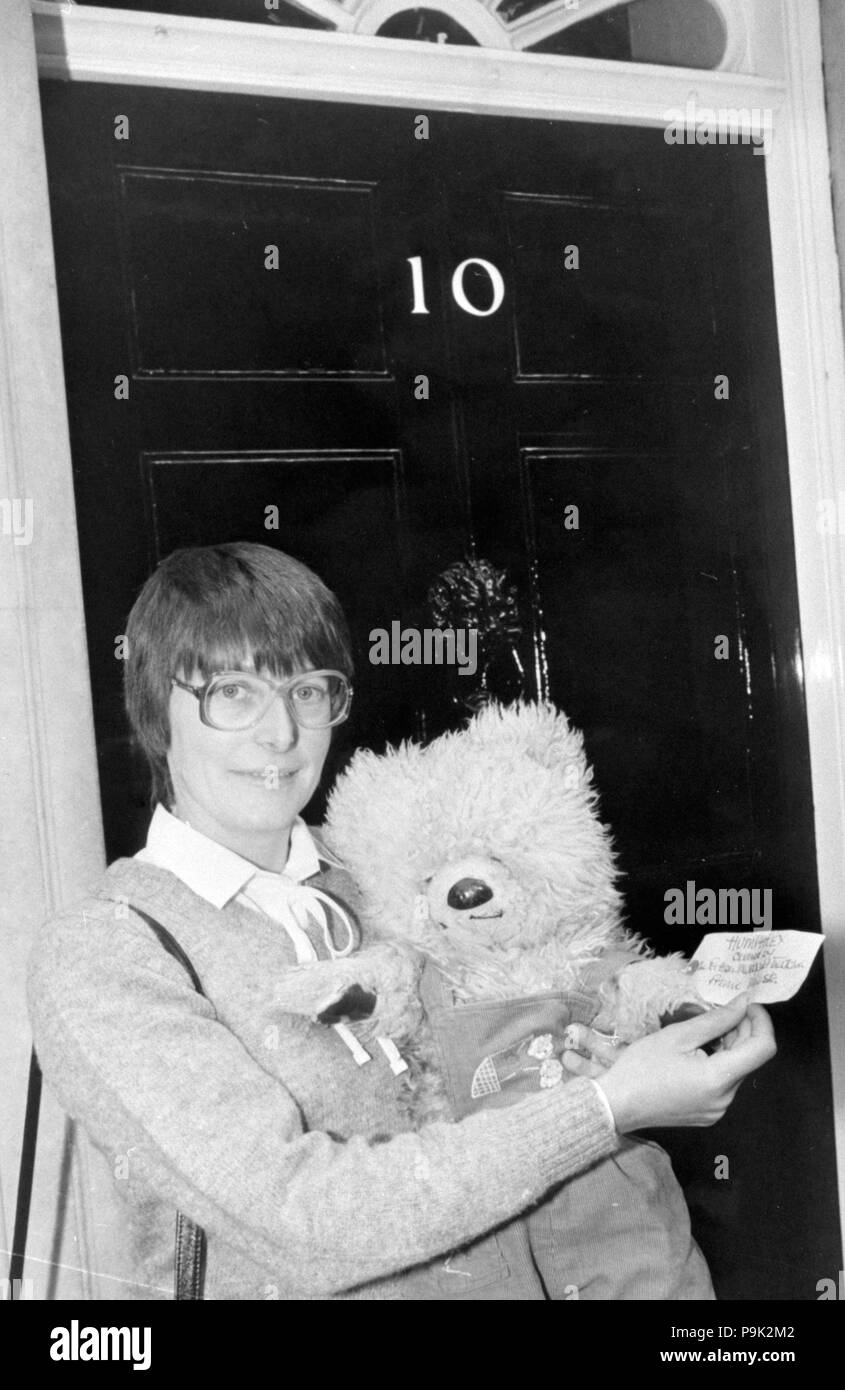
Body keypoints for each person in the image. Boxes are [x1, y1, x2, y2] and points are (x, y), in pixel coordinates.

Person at [27, 542, 776, 1300]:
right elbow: (302, 1220)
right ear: (157, 710)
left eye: (308, 690)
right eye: (233, 692)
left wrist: (611, 1060)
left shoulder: (395, 879)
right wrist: (603, 1107)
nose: (280, 734)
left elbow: (512, 1081)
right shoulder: (108, 951)